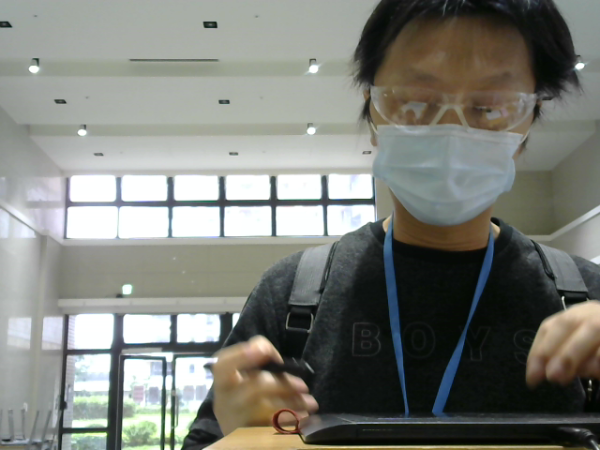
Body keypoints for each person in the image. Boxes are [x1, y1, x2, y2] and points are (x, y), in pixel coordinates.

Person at [182, 0, 600, 448]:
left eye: (490, 107)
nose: (451, 130)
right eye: (416, 101)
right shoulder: (291, 293)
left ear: (529, 120)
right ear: (374, 112)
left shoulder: (584, 297)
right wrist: (238, 431)